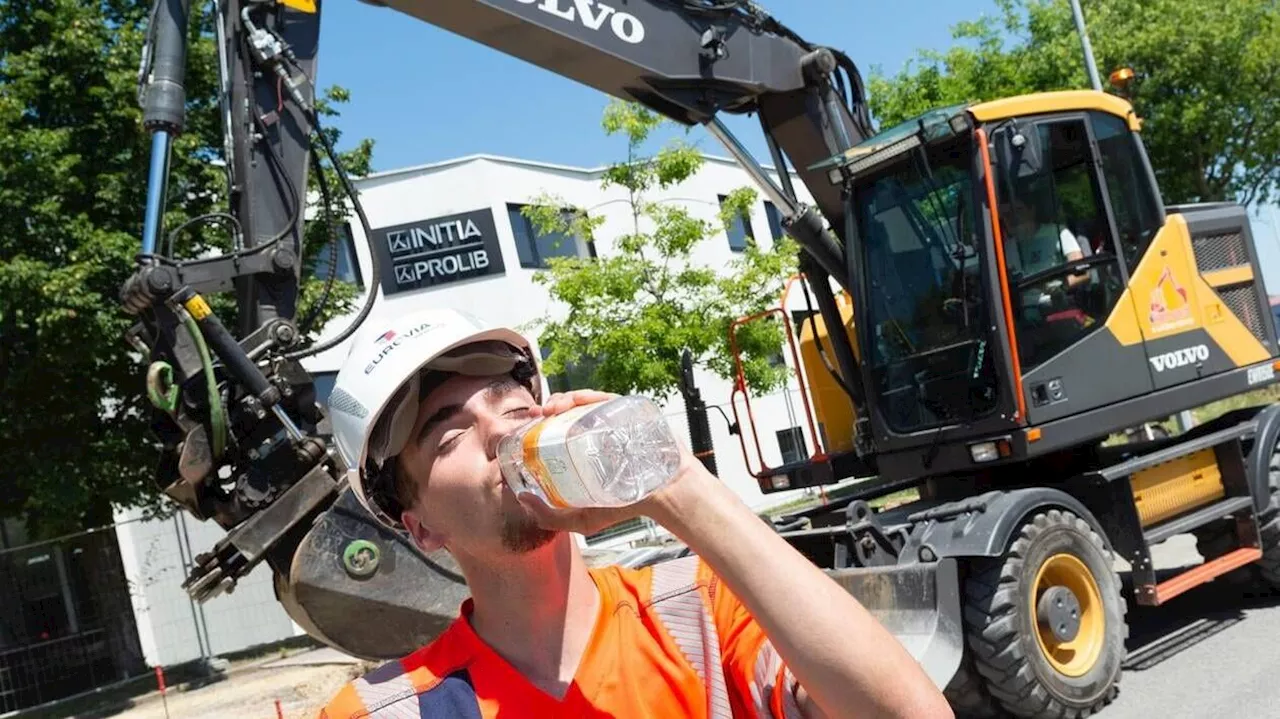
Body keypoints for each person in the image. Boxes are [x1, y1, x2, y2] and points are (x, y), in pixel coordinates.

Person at [315, 308, 953, 719]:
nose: (496, 435)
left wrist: (678, 485)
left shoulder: (697, 614)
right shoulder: (386, 711)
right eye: (450, 436)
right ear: (420, 526)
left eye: (510, 405)